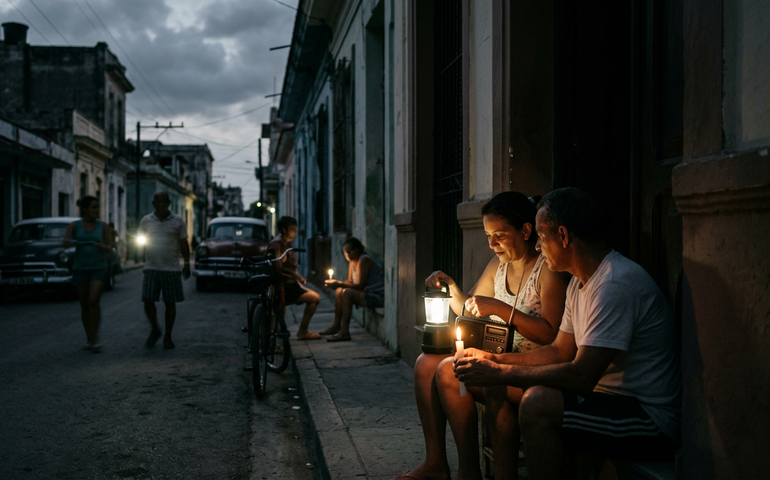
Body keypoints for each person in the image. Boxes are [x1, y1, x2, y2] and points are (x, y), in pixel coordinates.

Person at [455, 187, 681, 480]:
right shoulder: (579, 283)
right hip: (609, 401)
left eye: (542, 237)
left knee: (538, 403)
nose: (537, 247)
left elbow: (581, 375)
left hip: (647, 418)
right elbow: (559, 350)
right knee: (519, 391)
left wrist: (501, 373)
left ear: (562, 236)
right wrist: (494, 360)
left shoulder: (614, 284)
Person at [397, 191, 570, 480]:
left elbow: (551, 334)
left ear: (526, 230)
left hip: (532, 367)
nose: (492, 244)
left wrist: (500, 309)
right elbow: (471, 308)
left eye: (499, 235)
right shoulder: (499, 266)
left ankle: (478, 472)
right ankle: (440, 464)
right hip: (498, 357)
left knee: (453, 370)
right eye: (489, 235)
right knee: (428, 364)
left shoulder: (547, 269)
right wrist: (451, 288)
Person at [139, 191, 191, 349]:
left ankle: (168, 336)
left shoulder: (178, 221)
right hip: (151, 267)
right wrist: (143, 259)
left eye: (164, 202)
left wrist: (186, 264)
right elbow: (141, 240)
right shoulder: (146, 220)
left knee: (170, 303)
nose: (161, 204)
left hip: (172, 269)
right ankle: (155, 328)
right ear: (154, 204)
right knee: (148, 301)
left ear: (169, 203)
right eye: (158, 202)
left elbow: (183, 243)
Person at [63, 196, 114, 352]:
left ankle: (95, 338)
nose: (96, 210)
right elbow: (65, 242)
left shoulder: (103, 226)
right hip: (80, 268)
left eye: (98, 207)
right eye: (93, 207)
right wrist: (72, 242)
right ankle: (89, 339)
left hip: (98, 268)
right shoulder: (74, 225)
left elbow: (110, 246)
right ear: (85, 209)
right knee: (84, 304)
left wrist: (101, 246)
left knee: (93, 301)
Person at [321, 237, 385, 342]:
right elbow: (350, 282)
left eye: (349, 251)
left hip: (376, 295)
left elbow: (360, 286)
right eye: (345, 252)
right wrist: (337, 284)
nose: (347, 255)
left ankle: (344, 332)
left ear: (357, 250)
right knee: (339, 291)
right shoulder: (352, 263)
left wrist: (340, 284)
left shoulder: (363, 260)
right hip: (366, 293)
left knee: (347, 293)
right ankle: (336, 325)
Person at [267, 216, 321, 340]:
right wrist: (295, 275)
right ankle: (302, 331)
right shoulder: (277, 244)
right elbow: (277, 266)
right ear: (284, 230)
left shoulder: (285, 243)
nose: (295, 232)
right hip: (285, 285)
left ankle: (300, 332)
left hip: (291, 284)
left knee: (281, 312)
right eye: (292, 229)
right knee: (314, 298)